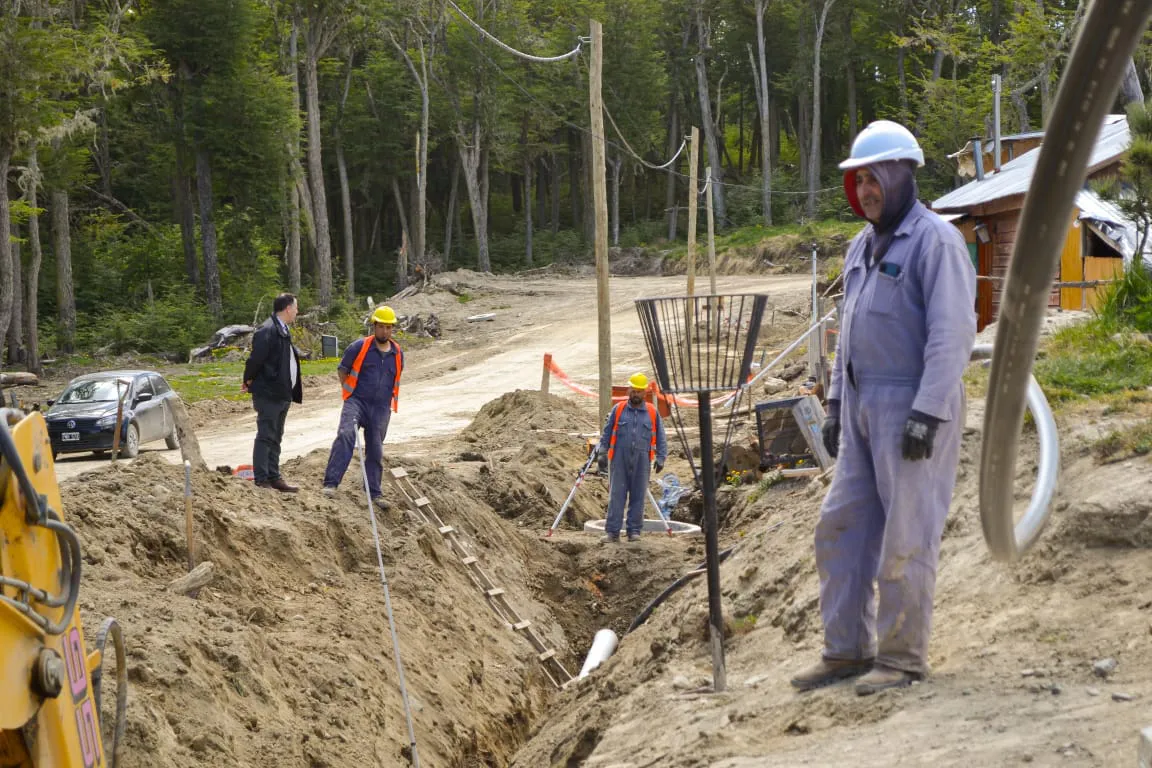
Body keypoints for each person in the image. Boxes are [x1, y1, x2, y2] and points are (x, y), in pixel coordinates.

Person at [790, 120, 976, 696]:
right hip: (861, 408)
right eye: (858, 181)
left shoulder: (936, 241)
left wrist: (928, 408)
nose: (866, 190)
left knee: (906, 534)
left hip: (913, 407)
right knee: (839, 526)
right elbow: (846, 330)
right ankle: (845, 650)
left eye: (875, 179)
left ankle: (901, 659)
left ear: (901, 177)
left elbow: (953, 333)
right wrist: (837, 403)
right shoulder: (859, 248)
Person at [321, 306, 404, 507]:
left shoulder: (397, 353)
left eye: (389, 328)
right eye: (382, 327)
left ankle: (374, 493)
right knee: (346, 434)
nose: (385, 331)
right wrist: (348, 392)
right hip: (357, 401)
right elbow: (343, 369)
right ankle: (331, 483)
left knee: (375, 449)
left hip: (381, 408)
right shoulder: (360, 347)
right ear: (374, 326)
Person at [596, 373, 668, 543]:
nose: (635, 394)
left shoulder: (651, 412)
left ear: (644, 393)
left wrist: (661, 458)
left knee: (638, 496)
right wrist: (602, 452)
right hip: (619, 459)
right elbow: (607, 432)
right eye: (633, 391)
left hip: (642, 460)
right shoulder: (618, 409)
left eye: (639, 392)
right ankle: (612, 533)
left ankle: (634, 531)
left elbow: (661, 436)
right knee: (616, 495)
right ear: (629, 390)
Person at [243, 293, 303, 492]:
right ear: (287, 309)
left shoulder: (282, 330)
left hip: (282, 393)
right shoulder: (267, 330)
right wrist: (248, 379)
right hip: (269, 393)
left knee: (276, 435)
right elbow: (255, 359)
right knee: (266, 435)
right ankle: (262, 479)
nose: (297, 311)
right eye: (295, 308)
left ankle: (274, 476)